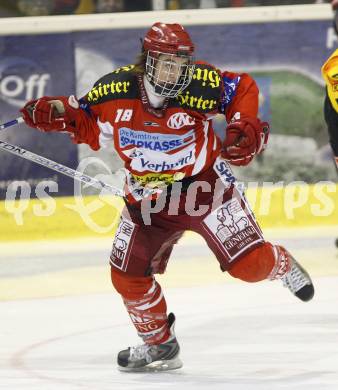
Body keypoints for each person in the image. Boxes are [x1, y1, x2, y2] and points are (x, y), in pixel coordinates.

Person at [19, 22, 314, 372]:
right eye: (167, 63)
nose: (175, 73)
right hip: (148, 199)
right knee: (126, 277)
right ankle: (160, 344)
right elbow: (83, 116)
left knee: (250, 268)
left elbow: (242, 88)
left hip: (204, 188)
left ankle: (280, 262)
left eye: (181, 64)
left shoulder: (199, 85)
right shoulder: (115, 90)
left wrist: (244, 125)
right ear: (148, 61)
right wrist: (54, 114)